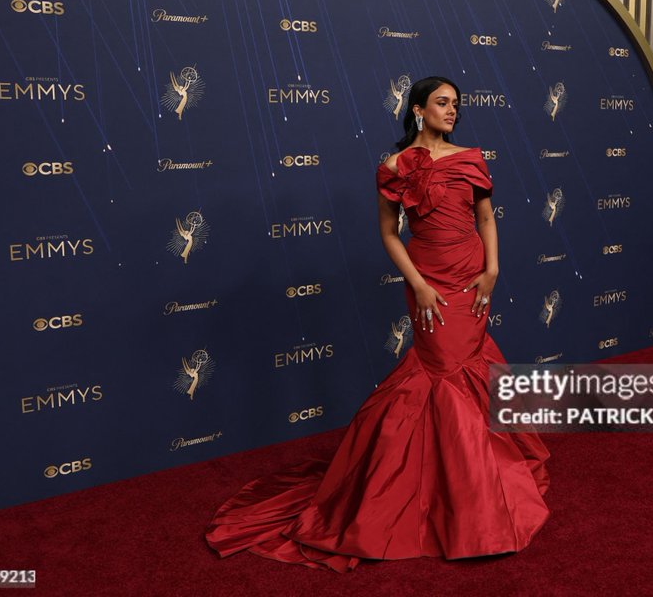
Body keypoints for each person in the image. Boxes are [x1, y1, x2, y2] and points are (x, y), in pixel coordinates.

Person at [205, 76, 551, 572]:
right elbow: (389, 234)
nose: (452, 111)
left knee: (468, 365)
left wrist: (493, 269)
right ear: (417, 109)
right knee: (442, 371)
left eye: (457, 104)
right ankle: (457, 497)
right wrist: (418, 284)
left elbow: (487, 219)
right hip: (428, 280)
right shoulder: (392, 167)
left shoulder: (471, 157)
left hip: (472, 277)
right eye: (442, 103)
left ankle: (474, 481)